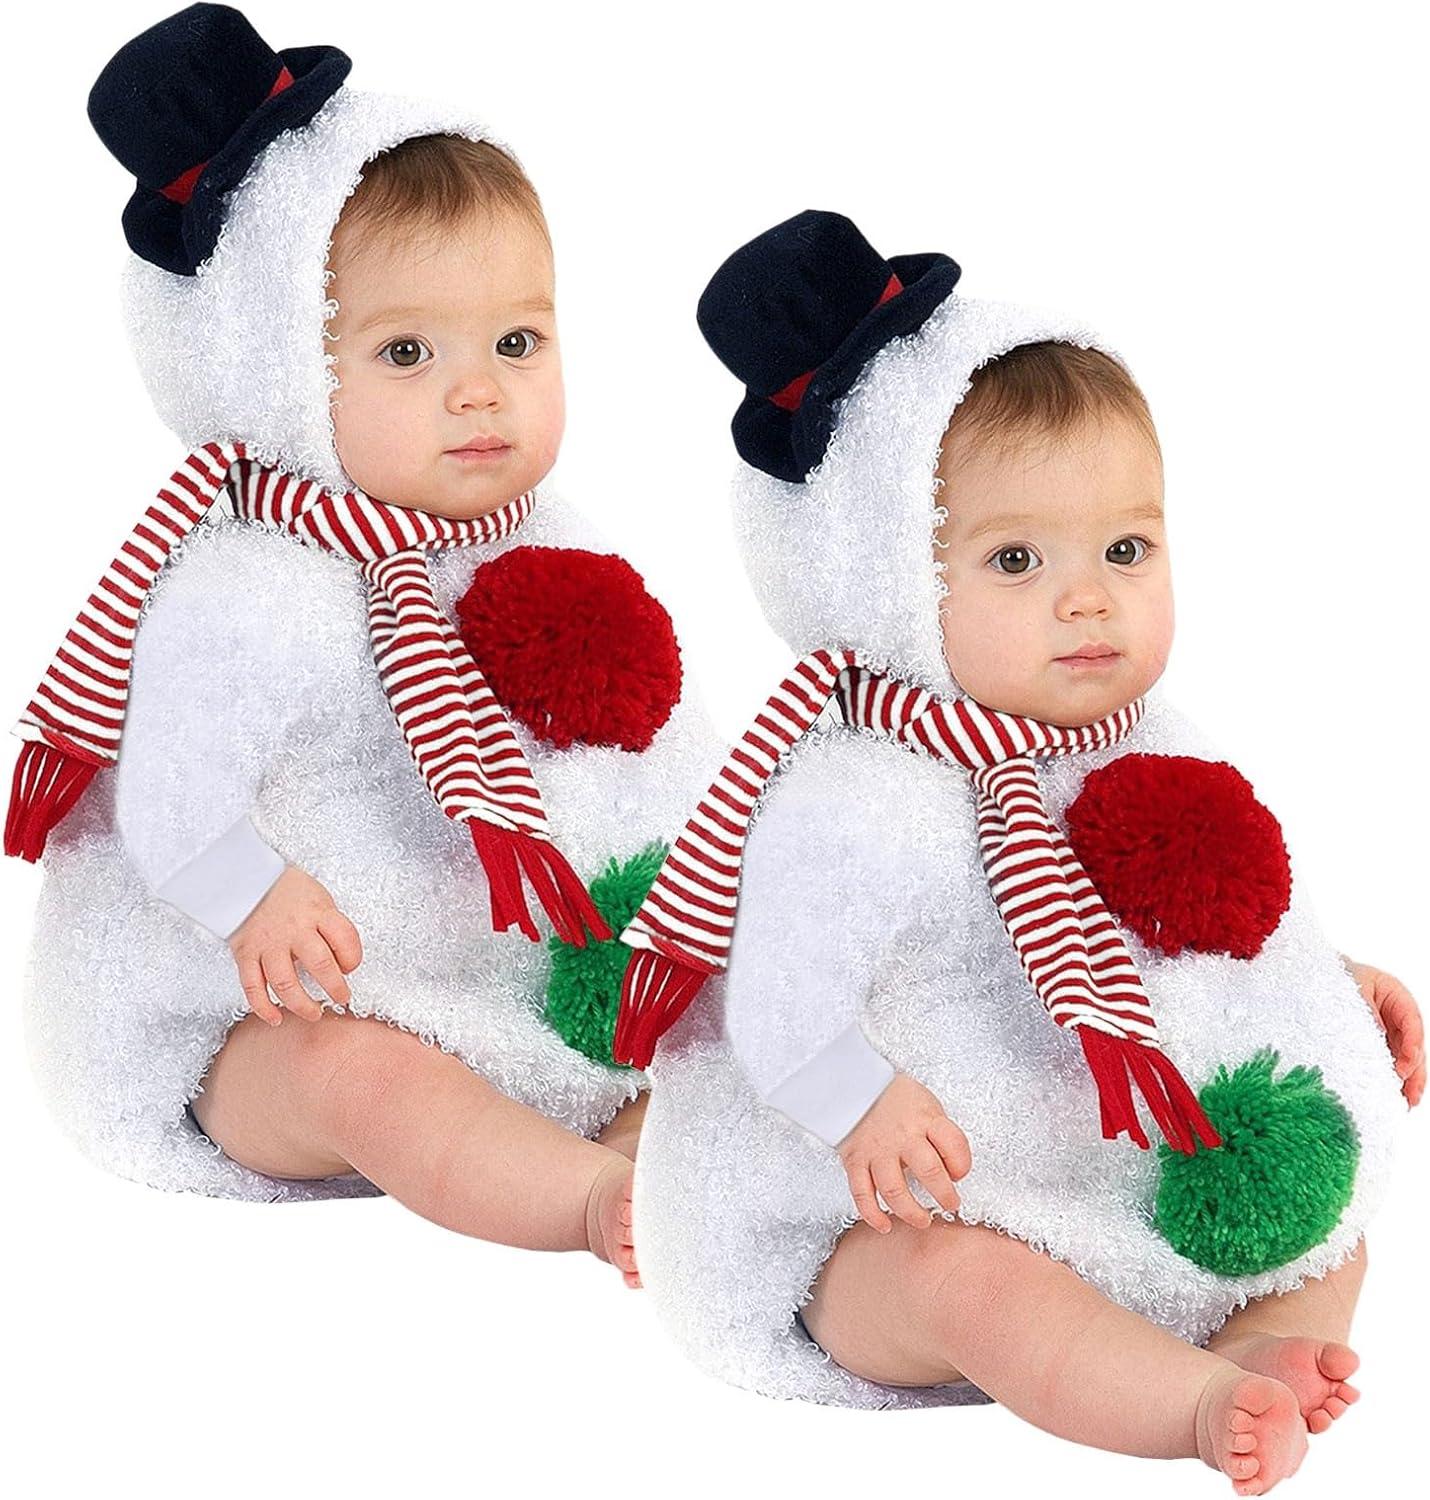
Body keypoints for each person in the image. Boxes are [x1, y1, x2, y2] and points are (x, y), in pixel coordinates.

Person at [616, 211, 1420, 1491]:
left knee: (1329, 1221)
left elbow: (1194, 928)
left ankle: (1256, 1342)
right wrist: (854, 1102)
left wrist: (1316, 981)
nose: (1086, 597)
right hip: (875, 1217)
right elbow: (775, 997)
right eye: (1013, 560)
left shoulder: (1142, 740)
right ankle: (1190, 1409)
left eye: (1123, 549)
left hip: (1112, 1185)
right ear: (881, 572)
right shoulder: (859, 796)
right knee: (969, 1287)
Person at [5, 4, 720, 1287]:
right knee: (357, 1075)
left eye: (516, 341)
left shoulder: (543, 543)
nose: (478, 390)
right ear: (274, 361)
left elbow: (655, 758)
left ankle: (637, 1151)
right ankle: (585, 1204)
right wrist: (245, 892)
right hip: (251, 1008)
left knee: (693, 1067)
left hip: (503, 983)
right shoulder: (251, 582)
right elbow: (169, 788)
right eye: (406, 351)